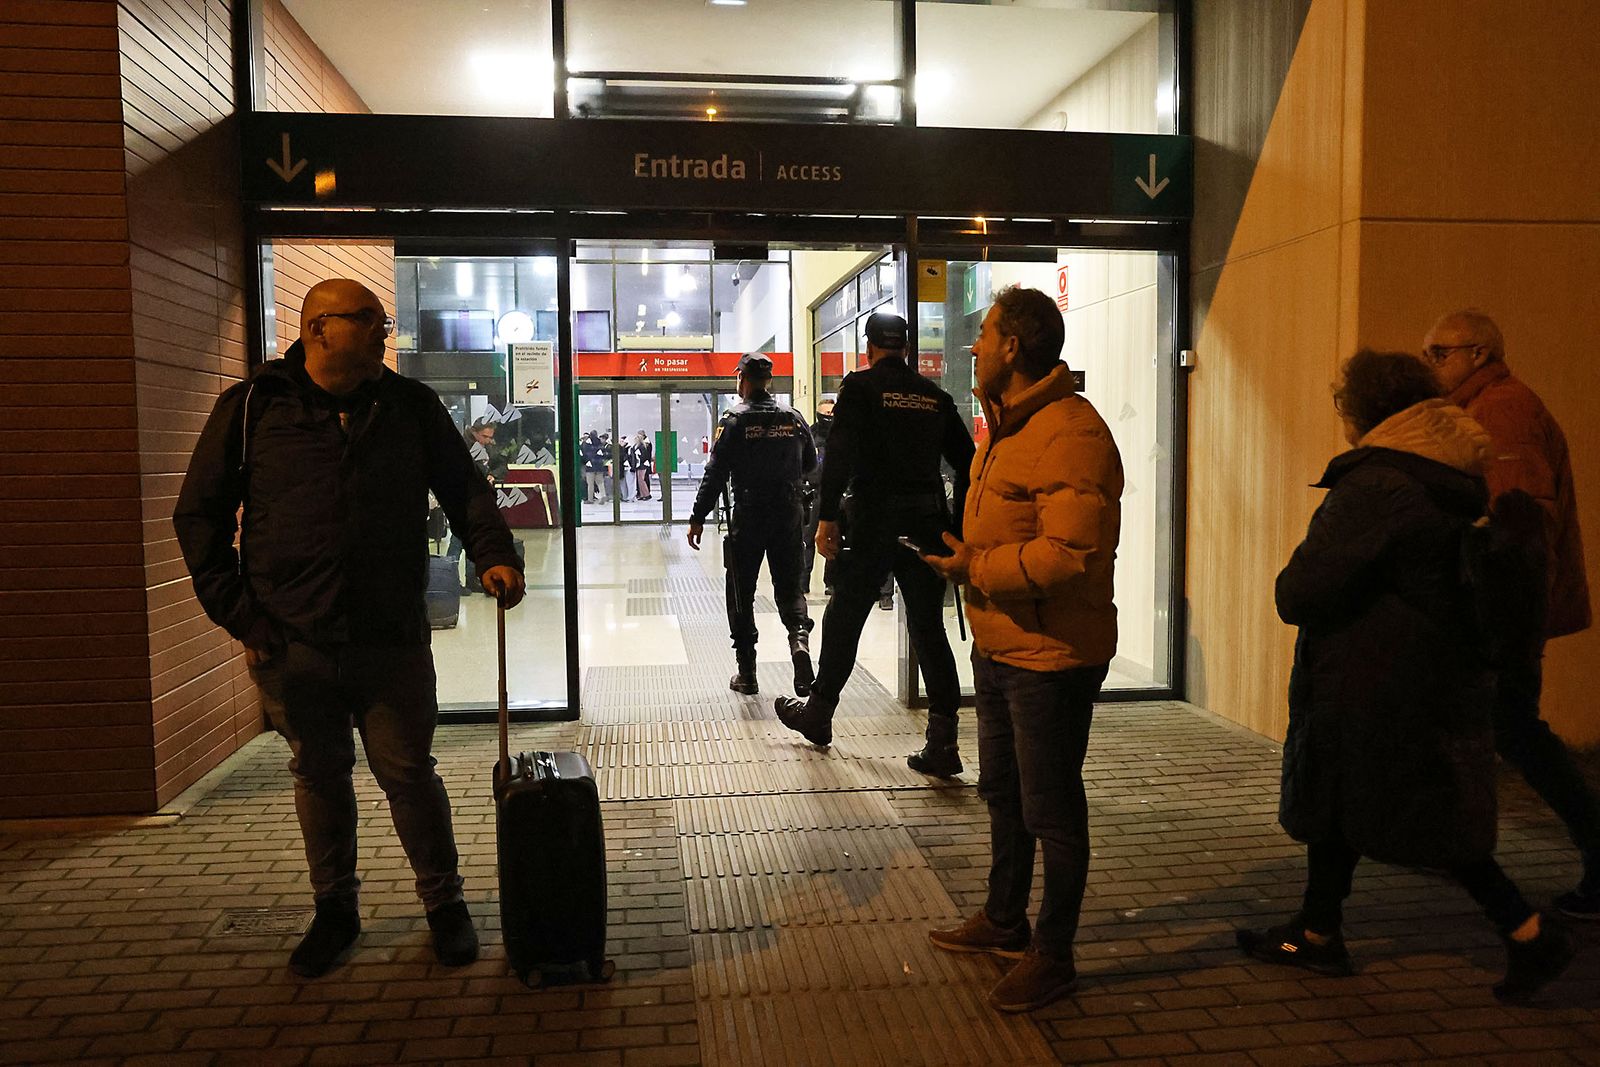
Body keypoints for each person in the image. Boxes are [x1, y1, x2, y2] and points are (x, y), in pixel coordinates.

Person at [173, 279, 527, 979]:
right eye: (367, 320)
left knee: (409, 772)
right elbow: (198, 515)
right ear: (317, 329)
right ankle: (335, 909)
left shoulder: (409, 405)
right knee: (319, 773)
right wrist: (240, 614)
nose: (381, 332)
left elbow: (463, 489)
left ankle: (445, 904)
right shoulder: (253, 408)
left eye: (382, 321)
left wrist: (494, 554)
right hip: (291, 639)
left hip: (389, 632)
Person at [1235, 348, 1573, 1004]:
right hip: (1413, 671)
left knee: (1430, 821)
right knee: (1345, 806)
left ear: (1365, 411)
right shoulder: (1444, 474)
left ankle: (1530, 935)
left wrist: (1297, 575)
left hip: (1376, 678)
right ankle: (1318, 931)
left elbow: (1300, 591)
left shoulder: (1378, 485)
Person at [916, 286, 1122, 1013]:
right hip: (1001, 644)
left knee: (1052, 810)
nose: (972, 346)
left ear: (1012, 347)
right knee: (1002, 793)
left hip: (1051, 656)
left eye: (984, 334)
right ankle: (1005, 920)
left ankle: (1054, 955)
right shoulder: (1009, 425)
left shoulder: (1071, 431)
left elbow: (1070, 551)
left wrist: (976, 567)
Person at [1422, 310, 1598, 917]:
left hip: (1504, 615)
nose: (1429, 364)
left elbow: (1519, 523)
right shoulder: (1479, 408)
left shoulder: (1503, 412)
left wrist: (1503, 618)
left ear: (1479, 353)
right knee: (1500, 730)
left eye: (1440, 353)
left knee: (1516, 731)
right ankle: (1458, 847)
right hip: (1504, 611)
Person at [775, 312, 975, 777]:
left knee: (845, 617)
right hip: (926, 523)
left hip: (873, 520)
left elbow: (839, 456)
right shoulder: (934, 396)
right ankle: (944, 741)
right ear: (906, 347)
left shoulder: (860, 388)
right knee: (929, 629)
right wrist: (958, 527)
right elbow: (969, 463)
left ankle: (819, 713)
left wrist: (827, 518)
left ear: (869, 348)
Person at [687, 353, 817, 696]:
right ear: (768, 381)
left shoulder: (733, 421)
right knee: (790, 587)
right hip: (788, 513)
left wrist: (697, 517)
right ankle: (799, 641)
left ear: (741, 380)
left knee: (741, 591)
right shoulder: (793, 417)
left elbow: (715, 473)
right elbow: (811, 463)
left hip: (749, 515)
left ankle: (747, 673)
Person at [801, 398, 834, 593]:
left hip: (835, 493)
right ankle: (803, 582)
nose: (830, 417)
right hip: (813, 494)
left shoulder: (840, 435)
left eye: (832, 413)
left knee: (833, 537)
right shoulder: (810, 435)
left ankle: (831, 582)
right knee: (808, 539)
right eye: (826, 413)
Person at [580, 429, 608, 504]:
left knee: (590, 484)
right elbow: (604, 454)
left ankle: (590, 499)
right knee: (600, 483)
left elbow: (584, 454)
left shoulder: (586, 444)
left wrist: (586, 461)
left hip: (590, 466)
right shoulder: (600, 443)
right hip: (599, 466)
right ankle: (603, 496)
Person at [632, 430, 655, 500]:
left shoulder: (643, 446)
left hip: (642, 464)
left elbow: (644, 455)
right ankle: (642, 494)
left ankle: (646, 494)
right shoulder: (637, 446)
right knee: (640, 480)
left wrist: (640, 459)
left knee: (642, 479)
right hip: (639, 464)